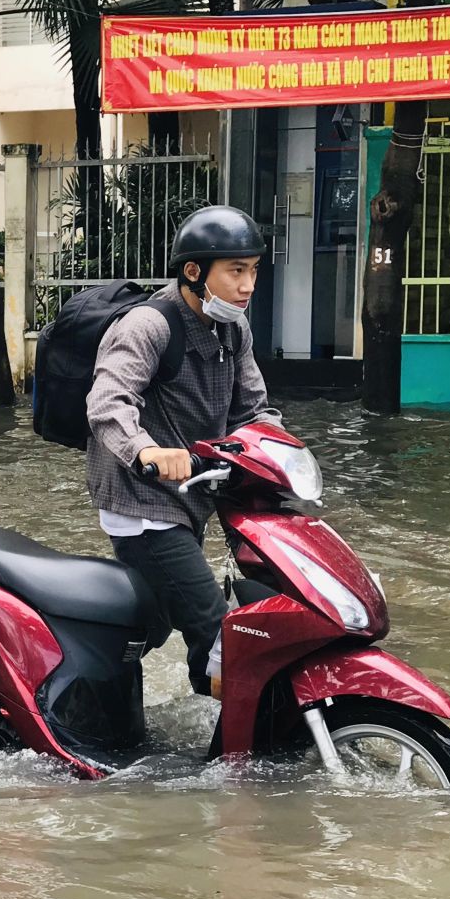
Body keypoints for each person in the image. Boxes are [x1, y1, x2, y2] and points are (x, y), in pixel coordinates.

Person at [85, 205, 279, 698]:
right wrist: (147, 451)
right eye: (236, 271)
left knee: (153, 620)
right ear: (194, 272)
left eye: (254, 269)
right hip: (142, 503)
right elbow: (108, 402)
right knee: (221, 634)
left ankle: (91, 686)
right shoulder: (147, 326)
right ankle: (235, 760)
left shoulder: (232, 328)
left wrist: (282, 454)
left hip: (194, 499)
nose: (249, 284)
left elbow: (253, 409)